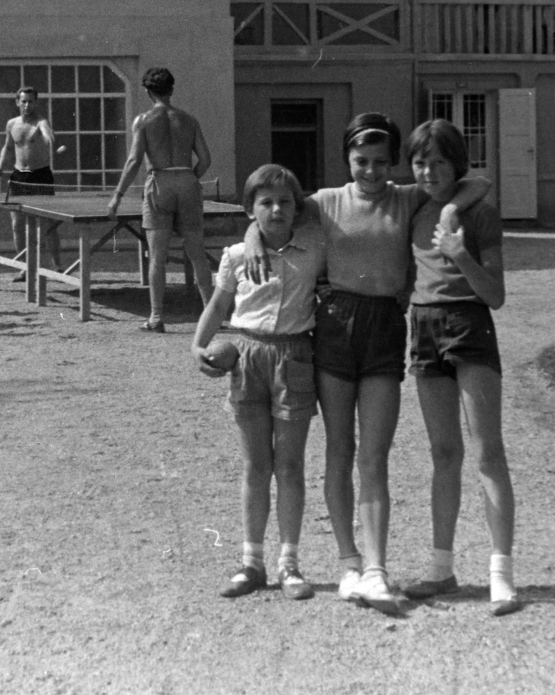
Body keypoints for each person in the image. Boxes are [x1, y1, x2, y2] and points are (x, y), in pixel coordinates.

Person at [241, 113, 489, 613]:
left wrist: (447, 212)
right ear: (347, 160)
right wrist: (251, 234)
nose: (371, 172)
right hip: (334, 327)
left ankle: (376, 570)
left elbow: (477, 181)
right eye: (361, 162)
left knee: (374, 455)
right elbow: (274, 206)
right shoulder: (327, 201)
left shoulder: (407, 196)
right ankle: (349, 563)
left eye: (380, 162)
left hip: (382, 329)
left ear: (393, 162)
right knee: (339, 450)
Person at [402, 120, 520, 616]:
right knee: (443, 453)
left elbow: (495, 294)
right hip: (423, 326)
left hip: (470, 325)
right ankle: (441, 567)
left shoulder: (481, 214)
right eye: (421, 162)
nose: (429, 171)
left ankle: (501, 574)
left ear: (457, 164)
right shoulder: (410, 204)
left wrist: (458, 251)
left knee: (488, 452)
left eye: (439, 162)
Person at [191, 164, 324, 601]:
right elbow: (218, 304)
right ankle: (252, 562)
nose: (276, 209)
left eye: (285, 201)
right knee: (255, 465)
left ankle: (289, 563)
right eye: (265, 202)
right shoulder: (235, 255)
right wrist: (198, 345)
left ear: (296, 208)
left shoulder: (314, 250)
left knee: (289, 465)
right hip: (247, 356)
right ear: (250, 209)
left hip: (294, 356)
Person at [108, 67, 213, 332]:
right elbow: (206, 159)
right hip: (187, 181)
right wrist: (190, 178)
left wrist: (117, 196)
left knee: (157, 256)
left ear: (147, 91)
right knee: (197, 253)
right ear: (172, 89)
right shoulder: (189, 120)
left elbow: (133, 161)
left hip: (159, 183)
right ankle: (212, 315)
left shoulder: (143, 120)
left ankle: (156, 317)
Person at [0, 87, 60, 275]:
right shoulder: (11, 124)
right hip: (19, 176)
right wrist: (0, 166)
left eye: (31, 101)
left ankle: (57, 265)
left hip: (40, 175)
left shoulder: (40, 122)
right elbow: (8, 147)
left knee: (49, 224)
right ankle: (24, 268)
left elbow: (47, 132)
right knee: (17, 224)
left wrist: (49, 137)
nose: (27, 105)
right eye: (23, 101)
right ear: (17, 102)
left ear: (36, 103)